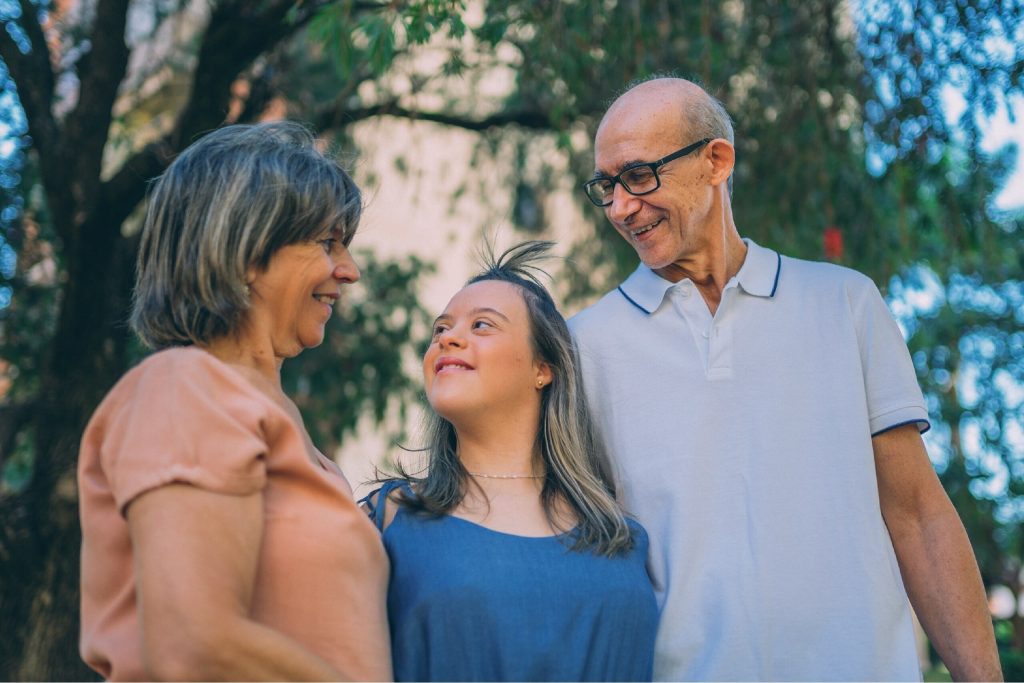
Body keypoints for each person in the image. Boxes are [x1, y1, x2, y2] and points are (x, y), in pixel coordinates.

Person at [569, 77, 1002, 681]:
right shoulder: (583, 345)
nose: (619, 206)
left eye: (639, 176)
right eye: (606, 186)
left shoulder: (844, 303)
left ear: (715, 160)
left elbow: (918, 516)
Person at [77, 122, 391, 681]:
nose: (350, 269)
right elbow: (194, 645)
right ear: (248, 252)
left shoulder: (278, 424)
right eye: (326, 242)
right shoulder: (187, 387)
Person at [363, 241, 658, 682]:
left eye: (481, 325)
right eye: (439, 330)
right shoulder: (388, 520)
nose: (447, 338)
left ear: (544, 367)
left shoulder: (623, 536)